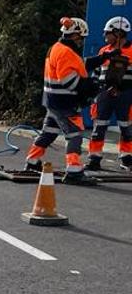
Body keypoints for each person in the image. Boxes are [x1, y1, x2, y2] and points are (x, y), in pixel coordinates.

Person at [24, 17, 97, 185]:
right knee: (75, 135)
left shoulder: (56, 48)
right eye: (81, 38)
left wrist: (101, 58)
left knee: (48, 132)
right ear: (76, 35)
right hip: (65, 103)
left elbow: (79, 65)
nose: (81, 41)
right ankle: (73, 170)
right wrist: (89, 87)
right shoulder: (66, 52)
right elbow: (69, 81)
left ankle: (32, 161)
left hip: (52, 100)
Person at [83, 16, 132, 172]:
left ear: (118, 33)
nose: (105, 37)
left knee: (127, 127)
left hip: (126, 95)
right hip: (104, 95)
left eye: (108, 33)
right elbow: (96, 73)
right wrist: (95, 90)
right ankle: (94, 158)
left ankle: (127, 158)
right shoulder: (104, 51)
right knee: (99, 126)